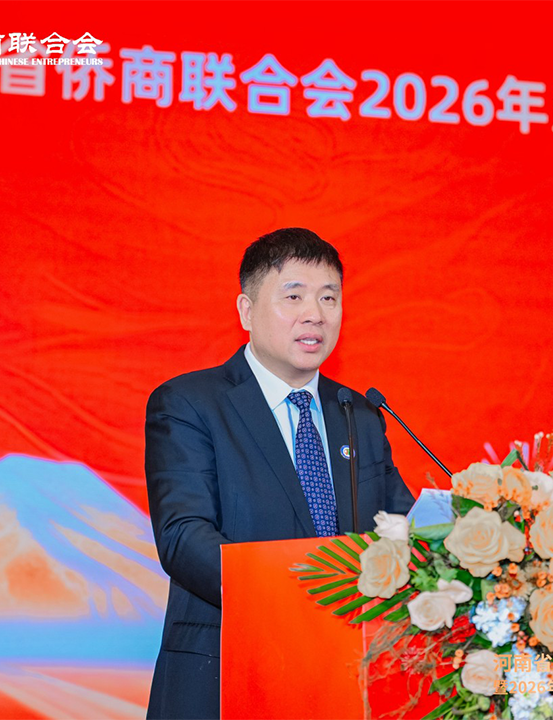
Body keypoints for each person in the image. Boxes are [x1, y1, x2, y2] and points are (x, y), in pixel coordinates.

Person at [144, 227, 415, 720]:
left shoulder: (359, 413)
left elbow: (401, 527)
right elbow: (184, 537)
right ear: (246, 311)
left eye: (328, 297)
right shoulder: (189, 403)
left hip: (345, 677)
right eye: (294, 296)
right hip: (227, 672)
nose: (315, 313)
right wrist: (308, 592)